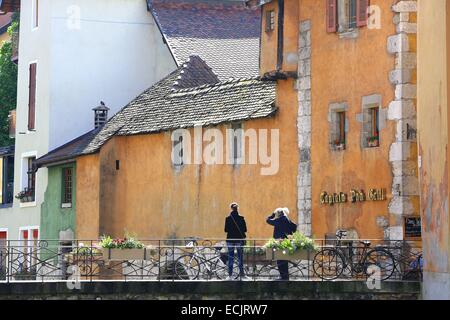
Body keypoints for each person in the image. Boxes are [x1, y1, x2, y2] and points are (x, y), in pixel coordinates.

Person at [266, 207, 296, 281]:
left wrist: (272, 215)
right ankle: (285, 277)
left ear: (278, 214)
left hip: (280, 242)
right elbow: (294, 227)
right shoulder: (287, 219)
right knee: (284, 260)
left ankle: (283, 277)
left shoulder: (280, 220)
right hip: (286, 242)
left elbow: (268, 220)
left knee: (280, 260)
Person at [224, 202, 247, 280]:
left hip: (230, 239)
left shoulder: (228, 218)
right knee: (240, 256)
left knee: (231, 257)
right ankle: (242, 274)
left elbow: (225, 230)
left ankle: (230, 275)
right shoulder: (241, 218)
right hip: (239, 239)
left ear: (231, 208)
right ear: (237, 208)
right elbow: (245, 229)